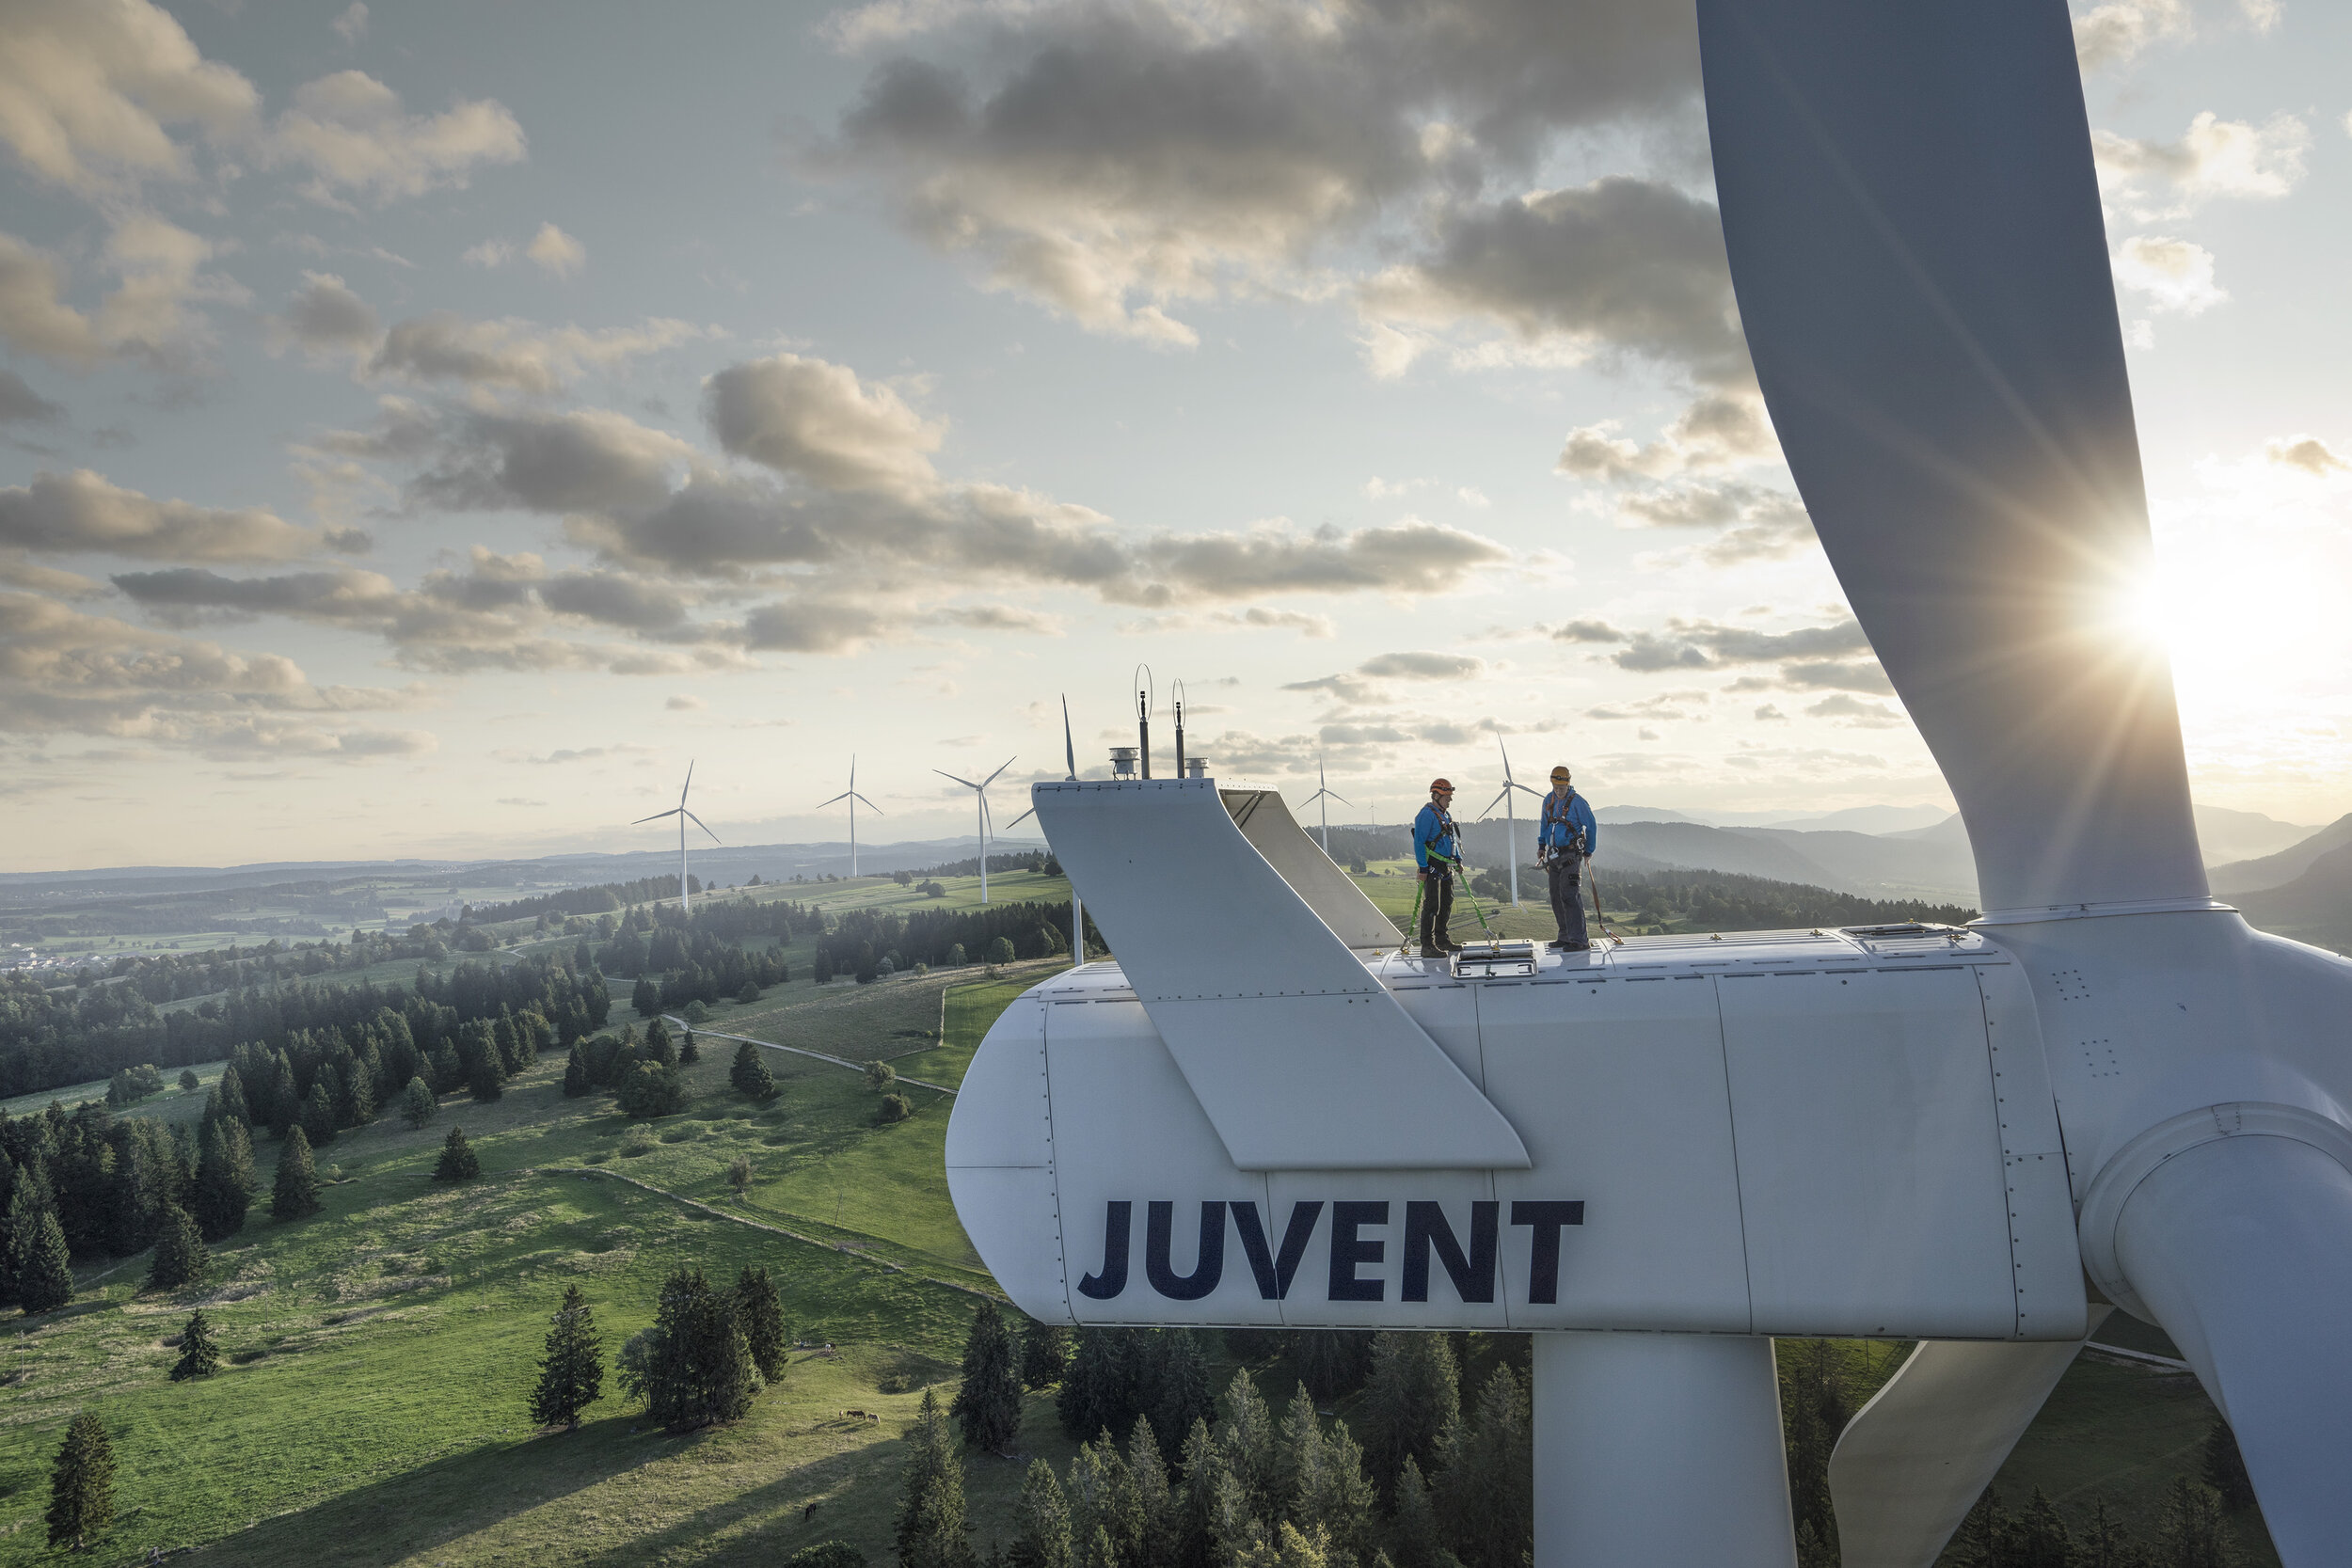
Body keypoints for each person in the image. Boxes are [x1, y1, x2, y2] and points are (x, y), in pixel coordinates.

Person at [1537, 765, 1599, 951]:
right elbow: (1544, 823)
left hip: (1571, 855)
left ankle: (1579, 940)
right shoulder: (1549, 800)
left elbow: (1592, 826)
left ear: (1568, 784)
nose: (1558, 791)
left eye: (1561, 788)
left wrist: (1589, 851)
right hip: (1554, 854)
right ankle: (1565, 935)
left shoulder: (1578, 802)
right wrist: (1541, 845)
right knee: (1556, 896)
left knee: (1570, 896)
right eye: (1556, 787)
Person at [1413, 778, 1460, 957]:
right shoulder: (1426, 815)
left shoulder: (1445, 815)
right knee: (1432, 905)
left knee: (1446, 903)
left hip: (1446, 865)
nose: (1450, 800)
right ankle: (1427, 945)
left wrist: (1458, 859)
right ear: (1436, 795)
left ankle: (1442, 939)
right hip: (1432, 865)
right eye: (1447, 797)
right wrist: (1423, 867)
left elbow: (1452, 839)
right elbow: (1419, 842)